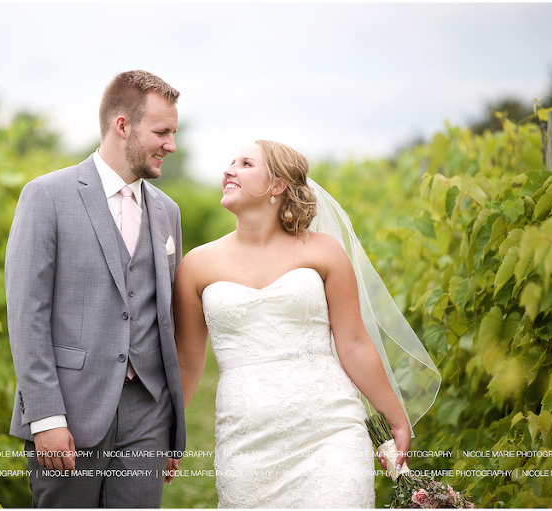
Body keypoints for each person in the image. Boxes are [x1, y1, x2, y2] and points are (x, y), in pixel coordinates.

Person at [173, 140, 414, 508]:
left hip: (331, 432)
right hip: (246, 438)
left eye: (245, 163)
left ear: (277, 185)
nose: (229, 170)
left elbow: (354, 343)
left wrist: (395, 419)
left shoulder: (323, 250)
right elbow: (188, 363)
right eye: (230, 162)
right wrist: (169, 432)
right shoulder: (197, 264)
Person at [5, 70, 185, 508]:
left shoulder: (168, 212)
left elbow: (164, 317)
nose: (171, 145)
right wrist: (45, 415)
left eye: (173, 133)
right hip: (70, 408)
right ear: (122, 126)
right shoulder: (46, 195)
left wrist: (171, 426)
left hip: (148, 413)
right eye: (161, 132)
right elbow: (26, 313)